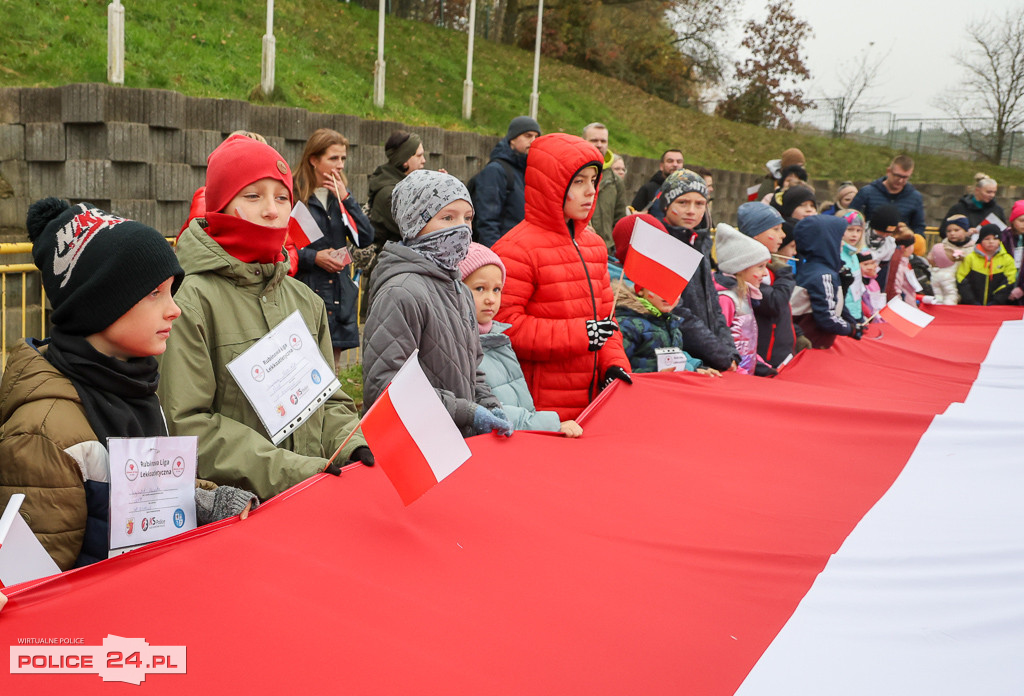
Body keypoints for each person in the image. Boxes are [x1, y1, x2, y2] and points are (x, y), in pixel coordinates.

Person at [0, 199, 257, 571]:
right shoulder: (43, 434)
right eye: (154, 293)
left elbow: (144, 493)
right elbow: (32, 592)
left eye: (171, 291)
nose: (175, 308)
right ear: (99, 303)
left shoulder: (135, 384)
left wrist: (204, 503)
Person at [159, 135, 371, 502]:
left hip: (318, 495)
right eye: (253, 196)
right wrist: (290, 470)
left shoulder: (306, 302)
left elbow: (329, 401)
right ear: (222, 206)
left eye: (282, 197)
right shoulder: (190, 302)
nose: (272, 210)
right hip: (243, 514)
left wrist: (353, 444)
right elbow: (188, 425)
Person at [362, 170, 513, 438]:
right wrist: (466, 412)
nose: (462, 229)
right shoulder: (400, 292)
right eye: (447, 218)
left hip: (456, 441)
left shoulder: (460, 290)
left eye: (467, 218)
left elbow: (471, 368)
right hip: (418, 445)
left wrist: (489, 405)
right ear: (414, 222)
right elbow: (387, 386)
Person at [493, 133, 632, 421]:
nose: (591, 191)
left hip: (593, 403)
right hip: (541, 407)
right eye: (579, 181)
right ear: (551, 185)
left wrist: (614, 364)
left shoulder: (593, 245)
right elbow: (503, 327)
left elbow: (607, 322)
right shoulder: (515, 249)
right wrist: (582, 335)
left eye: (593, 180)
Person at [459, 243, 582, 437]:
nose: (491, 299)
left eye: (497, 289)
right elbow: (488, 410)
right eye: (480, 288)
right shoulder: (457, 344)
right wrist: (549, 425)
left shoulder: (498, 338)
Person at [292, 128, 374, 370]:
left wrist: (347, 198)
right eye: (333, 158)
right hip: (307, 289)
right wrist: (313, 257)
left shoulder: (340, 195)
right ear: (314, 160)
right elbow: (283, 246)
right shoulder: (293, 193)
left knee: (332, 370)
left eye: (343, 159)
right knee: (305, 368)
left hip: (338, 294)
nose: (340, 165)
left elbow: (365, 237)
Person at [657, 170, 739, 371]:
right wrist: (720, 355)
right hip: (686, 358)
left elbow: (713, 303)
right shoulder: (660, 245)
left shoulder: (699, 241)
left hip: (713, 356)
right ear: (667, 204)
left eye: (699, 203)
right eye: (683, 202)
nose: (691, 210)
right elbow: (678, 312)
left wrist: (729, 350)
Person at [736, 202, 799, 367]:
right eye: (776, 229)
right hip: (764, 361)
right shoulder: (748, 269)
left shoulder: (768, 265)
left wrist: (797, 334)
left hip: (780, 358)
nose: (783, 235)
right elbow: (775, 302)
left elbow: (783, 312)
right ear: (756, 234)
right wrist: (785, 273)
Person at [791, 215, 863, 348]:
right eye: (838, 239)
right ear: (825, 242)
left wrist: (852, 322)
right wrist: (851, 329)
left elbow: (836, 305)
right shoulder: (823, 275)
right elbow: (827, 318)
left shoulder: (815, 269)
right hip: (813, 346)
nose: (842, 243)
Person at [616, 282, 716, 376]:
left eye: (676, 288)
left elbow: (675, 353)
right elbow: (618, 371)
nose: (668, 293)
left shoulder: (669, 321)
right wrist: (656, 374)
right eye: (659, 286)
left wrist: (695, 367)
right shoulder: (627, 325)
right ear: (640, 289)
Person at [712, 224, 774, 375]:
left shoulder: (743, 295)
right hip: (732, 376)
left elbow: (746, 343)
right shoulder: (726, 299)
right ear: (740, 268)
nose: (765, 273)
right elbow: (719, 341)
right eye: (760, 267)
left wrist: (760, 363)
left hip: (745, 375)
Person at [471, 116, 541, 247]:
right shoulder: (495, 171)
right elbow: (487, 221)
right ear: (512, 139)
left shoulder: (529, 170)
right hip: (504, 252)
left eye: (536, 137)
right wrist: (495, 258)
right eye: (528, 135)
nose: (533, 141)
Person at [368, 130, 427, 251]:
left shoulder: (408, 184)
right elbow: (416, 231)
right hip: (392, 263)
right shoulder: (389, 194)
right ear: (404, 161)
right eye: (419, 156)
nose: (424, 160)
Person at [582, 122, 628, 256]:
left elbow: (620, 220)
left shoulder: (616, 181)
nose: (599, 144)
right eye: (594, 140)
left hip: (606, 250)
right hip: (578, 245)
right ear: (583, 141)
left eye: (603, 141)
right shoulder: (571, 174)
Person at [850, 154, 926, 234]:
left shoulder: (915, 197)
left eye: (905, 177)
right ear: (888, 171)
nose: (900, 180)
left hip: (900, 243)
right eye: (897, 176)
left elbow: (919, 227)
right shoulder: (867, 192)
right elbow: (850, 218)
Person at [956, 224, 1017, 306]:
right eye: (987, 239)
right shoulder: (970, 258)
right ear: (980, 240)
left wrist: (997, 301)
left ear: (1000, 240)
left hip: (997, 305)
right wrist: (971, 300)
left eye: (995, 238)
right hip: (971, 305)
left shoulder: (1007, 259)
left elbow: (1010, 281)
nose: (991, 242)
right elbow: (961, 279)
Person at [940, 173, 1005, 238]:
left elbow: (1004, 232)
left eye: (994, 192)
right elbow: (943, 231)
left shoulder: (998, 210)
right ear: (977, 190)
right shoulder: (958, 208)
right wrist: (964, 234)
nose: (992, 195)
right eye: (988, 192)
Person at [928, 214, 972, 305]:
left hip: (965, 286)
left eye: (956, 230)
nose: (952, 233)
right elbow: (931, 262)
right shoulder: (941, 248)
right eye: (949, 231)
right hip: (945, 285)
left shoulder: (972, 249)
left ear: (966, 231)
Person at [837, 209, 866, 322]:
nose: (855, 235)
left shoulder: (854, 254)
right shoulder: (838, 254)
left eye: (858, 230)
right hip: (844, 315)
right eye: (850, 230)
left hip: (856, 312)